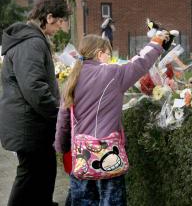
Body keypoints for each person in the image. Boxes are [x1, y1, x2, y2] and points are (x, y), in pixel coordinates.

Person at [54, 32, 169, 205]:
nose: (110, 58)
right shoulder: (113, 74)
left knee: (83, 199)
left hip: (81, 154)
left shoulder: (72, 78)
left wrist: (61, 147)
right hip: (108, 153)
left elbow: (63, 120)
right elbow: (141, 62)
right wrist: (157, 42)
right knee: (111, 199)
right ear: (100, 53)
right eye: (109, 54)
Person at [0, 0, 70, 206]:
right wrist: (58, 112)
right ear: (49, 17)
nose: (60, 27)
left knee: (45, 169)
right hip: (27, 125)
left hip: (29, 123)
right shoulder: (31, 43)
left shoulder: (30, 39)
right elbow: (33, 88)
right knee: (29, 174)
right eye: (60, 22)